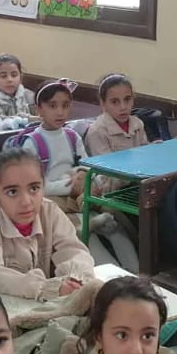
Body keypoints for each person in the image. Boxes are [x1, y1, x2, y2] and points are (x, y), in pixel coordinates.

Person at [23, 79, 138, 272]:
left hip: (79, 194)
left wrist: (89, 178)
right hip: (53, 198)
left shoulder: (72, 136)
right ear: (39, 109)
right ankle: (113, 275)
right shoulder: (33, 142)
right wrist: (71, 186)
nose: (60, 112)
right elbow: (37, 186)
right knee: (82, 234)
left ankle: (135, 272)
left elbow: (87, 165)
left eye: (65, 105)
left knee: (114, 225)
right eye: (53, 106)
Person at [0, 149, 95, 301]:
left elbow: (74, 251)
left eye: (34, 189)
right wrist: (49, 288)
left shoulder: (50, 212)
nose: (26, 202)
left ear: (44, 187)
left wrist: (75, 279)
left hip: (49, 303)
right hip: (6, 307)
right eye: (12, 192)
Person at [83, 73, 150, 194]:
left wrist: (155, 150)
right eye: (115, 102)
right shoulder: (97, 131)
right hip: (107, 191)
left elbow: (145, 155)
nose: (123, 107)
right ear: (103, 103)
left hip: (136, 184)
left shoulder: (137, 124)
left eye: (127, 99)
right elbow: (107, 173)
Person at [0, 54, 36, 132]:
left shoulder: (28, 96)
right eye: (3, 76)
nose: (9, 79)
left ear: (21, 78)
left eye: (14, 75)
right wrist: (25, 120)